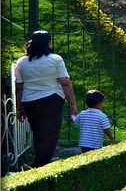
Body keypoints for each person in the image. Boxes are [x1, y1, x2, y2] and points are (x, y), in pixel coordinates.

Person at [14, 30, 78, 167]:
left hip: (30, 101)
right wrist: (73, 103)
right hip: (51, 100)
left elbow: (19, 88)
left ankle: (40, 161)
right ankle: (42, 163)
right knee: (51, 132)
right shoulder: (55, 59)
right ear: (48, 43)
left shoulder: (21, 62)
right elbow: (65, 82)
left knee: (38, 132)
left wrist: (19, 108)